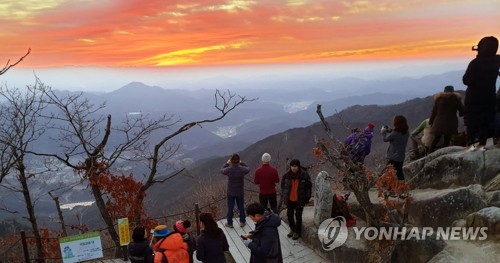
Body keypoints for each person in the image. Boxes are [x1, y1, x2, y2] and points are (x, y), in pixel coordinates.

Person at [463, 36, 500, 152]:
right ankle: (482, 146)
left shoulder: (475, 63)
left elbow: (466, 80)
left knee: (471, 123)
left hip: (474, 98)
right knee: (485, 122)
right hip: (489, 97)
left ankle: (470, 146)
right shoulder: (497, 60)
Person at [280, 159, 312, 240]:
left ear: (298, 166)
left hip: (300, 200)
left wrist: (306, 198)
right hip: (290, 200)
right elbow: (283, 187)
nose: (294, 168)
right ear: (290, 167)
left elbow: (308, 188)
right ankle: (292, 229)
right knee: (289, 215)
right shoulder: (286, 176)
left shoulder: (304, 176)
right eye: (292, 166)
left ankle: (297, 232)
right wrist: (284, 196)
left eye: (295, 166)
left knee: (298, 216)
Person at [429, 85, 464, 153]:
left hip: (438, 122)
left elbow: (434, 112)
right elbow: (462, 111)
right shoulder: (456, 99)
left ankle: (429, 154)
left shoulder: (438, 99)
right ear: (453, 91)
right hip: (450, 123)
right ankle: (443, 154)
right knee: (447, 139)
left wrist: (431, 122)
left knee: (436, 139)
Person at [221, 153, 251, 228]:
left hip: (231, 192)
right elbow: (248, 168)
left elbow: (222, 170)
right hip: (240, 191)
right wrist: (241, 163)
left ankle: (230, 223)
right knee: (241, 206)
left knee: (230, 207)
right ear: (238, 161)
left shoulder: (229, 170)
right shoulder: (242, 170)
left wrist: (227, 164)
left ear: (231, 161)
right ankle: (242, 221)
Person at [381, 115, 409, 181]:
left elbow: (385, 139)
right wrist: (391, 130)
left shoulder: (394, 134)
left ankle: (390, 189)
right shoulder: (406, 133)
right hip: (401, 156)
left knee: (389, 173)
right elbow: (397, 134)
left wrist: (383, 132)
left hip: (392, 157)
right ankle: (402, 187)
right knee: (399, 172)